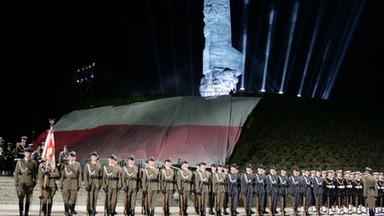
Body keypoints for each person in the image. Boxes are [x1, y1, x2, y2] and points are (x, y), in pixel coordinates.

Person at [14, 147, 38, 216]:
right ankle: (21, 212)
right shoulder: (20, 162)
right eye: (27, 153)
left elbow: (35, 173)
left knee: (28, 199)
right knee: (21, 197)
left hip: (30, 182)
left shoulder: (33, 162)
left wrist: (35, 182)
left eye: (29, 153)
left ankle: (26, 213)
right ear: (24, 153)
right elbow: (16, 173)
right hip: (21, 181)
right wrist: (16, 183)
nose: (28, 154)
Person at [60, 151, 82, 216]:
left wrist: (79, 184)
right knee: (66, 198)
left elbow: (79, 175)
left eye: (73, 157)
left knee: (72, 198)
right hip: (66, 182)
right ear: (68, 157)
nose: (71, 158)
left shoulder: (78, 165)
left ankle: (71, 211)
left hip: (74, 183)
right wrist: (61, 184)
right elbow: (62, 176)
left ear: (75, 158)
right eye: (70, 156)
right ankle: (66, 211)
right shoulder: (65, 164)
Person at [83, 151, 103, 216]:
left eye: (95, 156)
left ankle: (94, 209)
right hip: (90, 184)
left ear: (96, 157)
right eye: (93, 156)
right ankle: (90, 209)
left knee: (95, 198)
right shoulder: (87, 165)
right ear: (91, 157)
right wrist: (86, 185)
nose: (94, 157)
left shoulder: (99, 165)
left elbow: (101, 176)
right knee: (90, 198)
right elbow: (85, 175)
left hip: (96, 184)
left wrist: (100, 184)